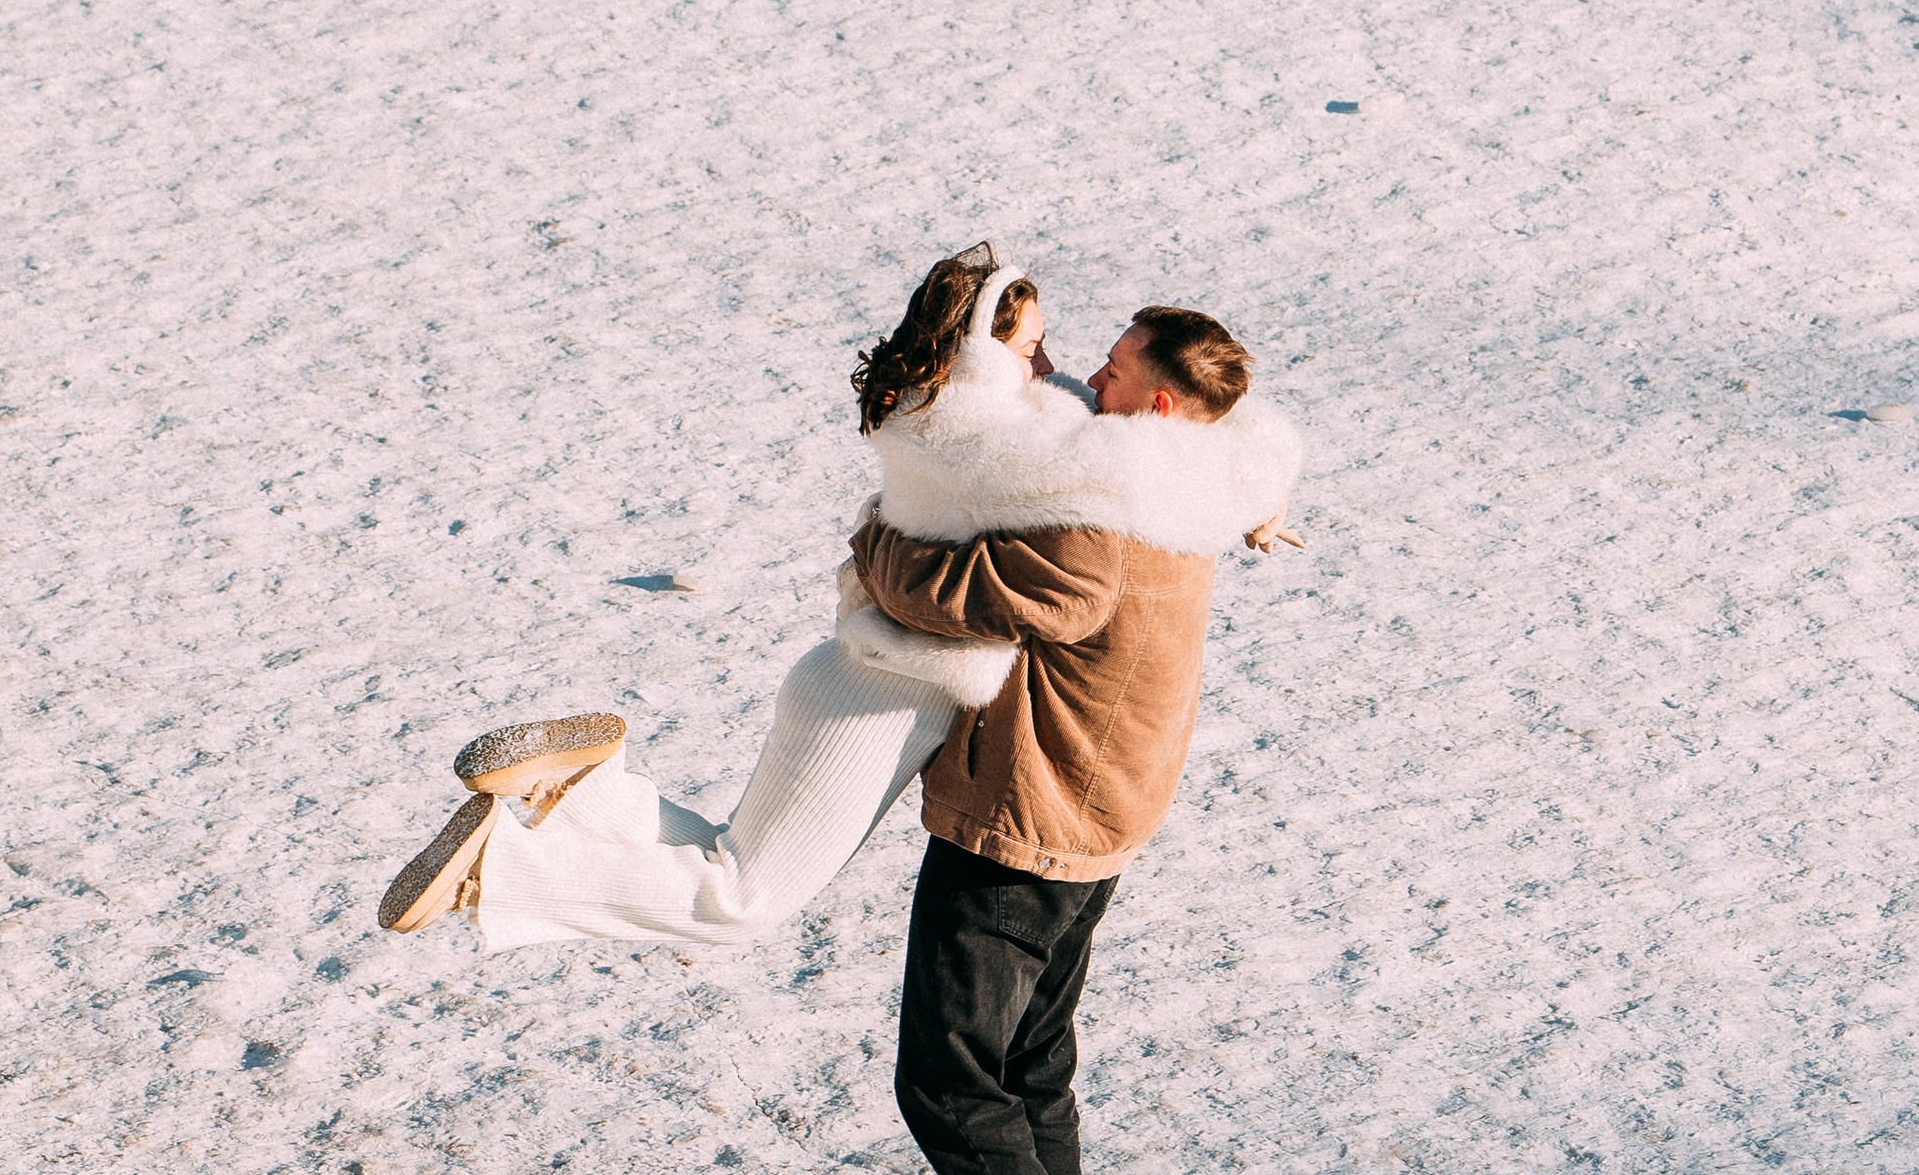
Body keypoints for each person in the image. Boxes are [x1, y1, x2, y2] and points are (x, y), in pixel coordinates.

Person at [375, 247, 1304, 964]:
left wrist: (1250, 499)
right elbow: (1109, 510)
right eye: (1037, 350)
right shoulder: (1005, 443)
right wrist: (1241, 493)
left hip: (863, 677)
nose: (1066, 372)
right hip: (887, 690)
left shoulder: (975, 420)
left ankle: (588, 785)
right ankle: (500, 863)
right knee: (738, 904)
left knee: (735, 860)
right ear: (983, 360)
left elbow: (1168, 453)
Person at [849, 300, 1272, 1175]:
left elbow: (946, 590)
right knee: (1031, 1062)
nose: (1093, 372)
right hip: (1105, 809)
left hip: (1027, 820)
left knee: (945, 1077)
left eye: (1117, 365)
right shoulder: (1196, 478)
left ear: (1163, 400)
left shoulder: (1095, 530)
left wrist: (876, 535)